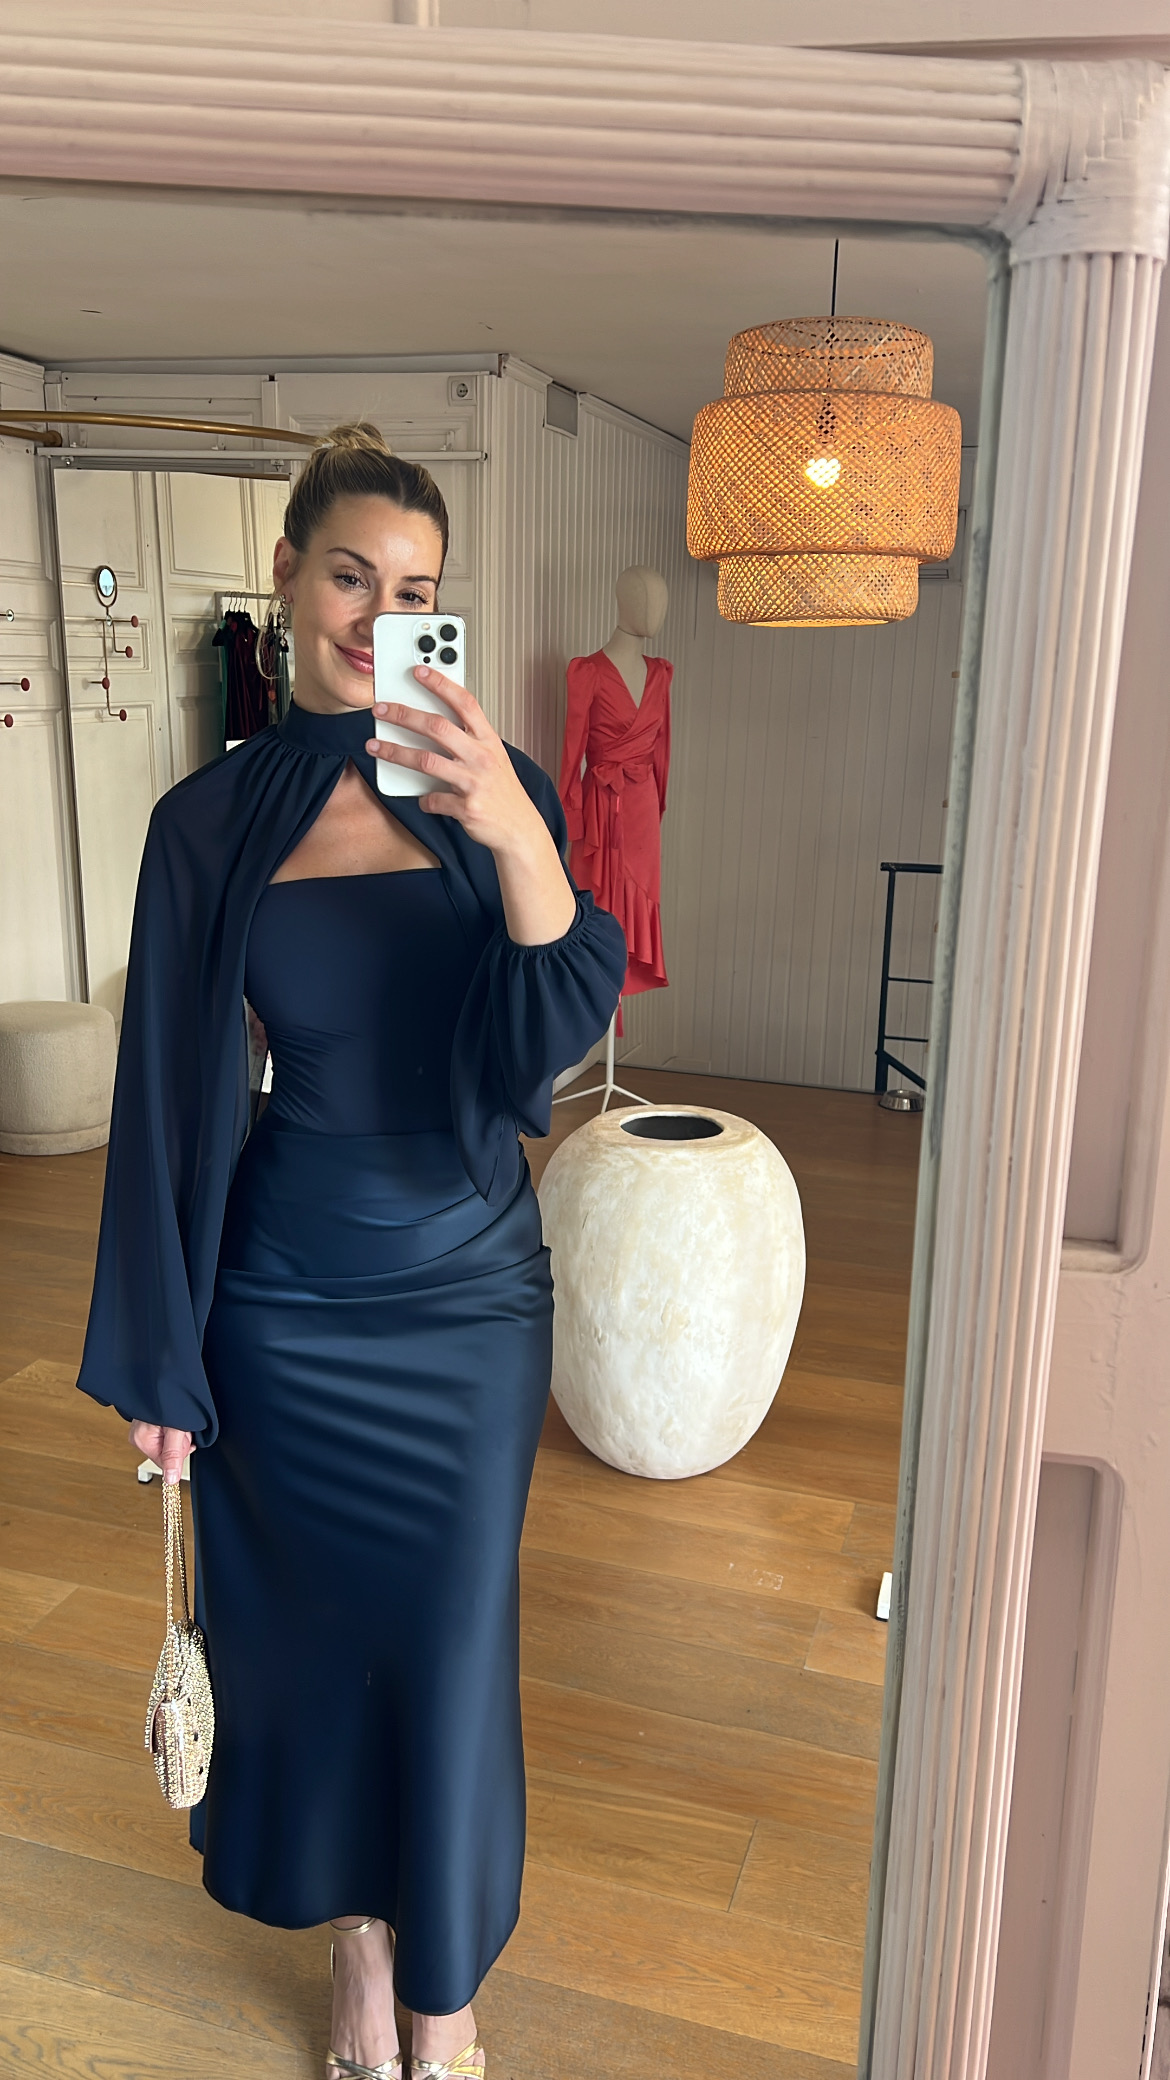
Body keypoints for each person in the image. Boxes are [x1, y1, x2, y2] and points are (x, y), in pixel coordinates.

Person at [75, 423, 627, 2080]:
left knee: (447, 1654)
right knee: (310, 1645)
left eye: (416, 590)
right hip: (283, 1304)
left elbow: (547, 1028)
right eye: (349, 577)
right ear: (287, 576)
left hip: (468, 1300)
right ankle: (365, 1952)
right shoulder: (206, 825)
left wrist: (512, 830)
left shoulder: (493, 785)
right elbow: (166, 1104)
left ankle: (443, 1992)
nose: (377, 616)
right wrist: (160, 1363)